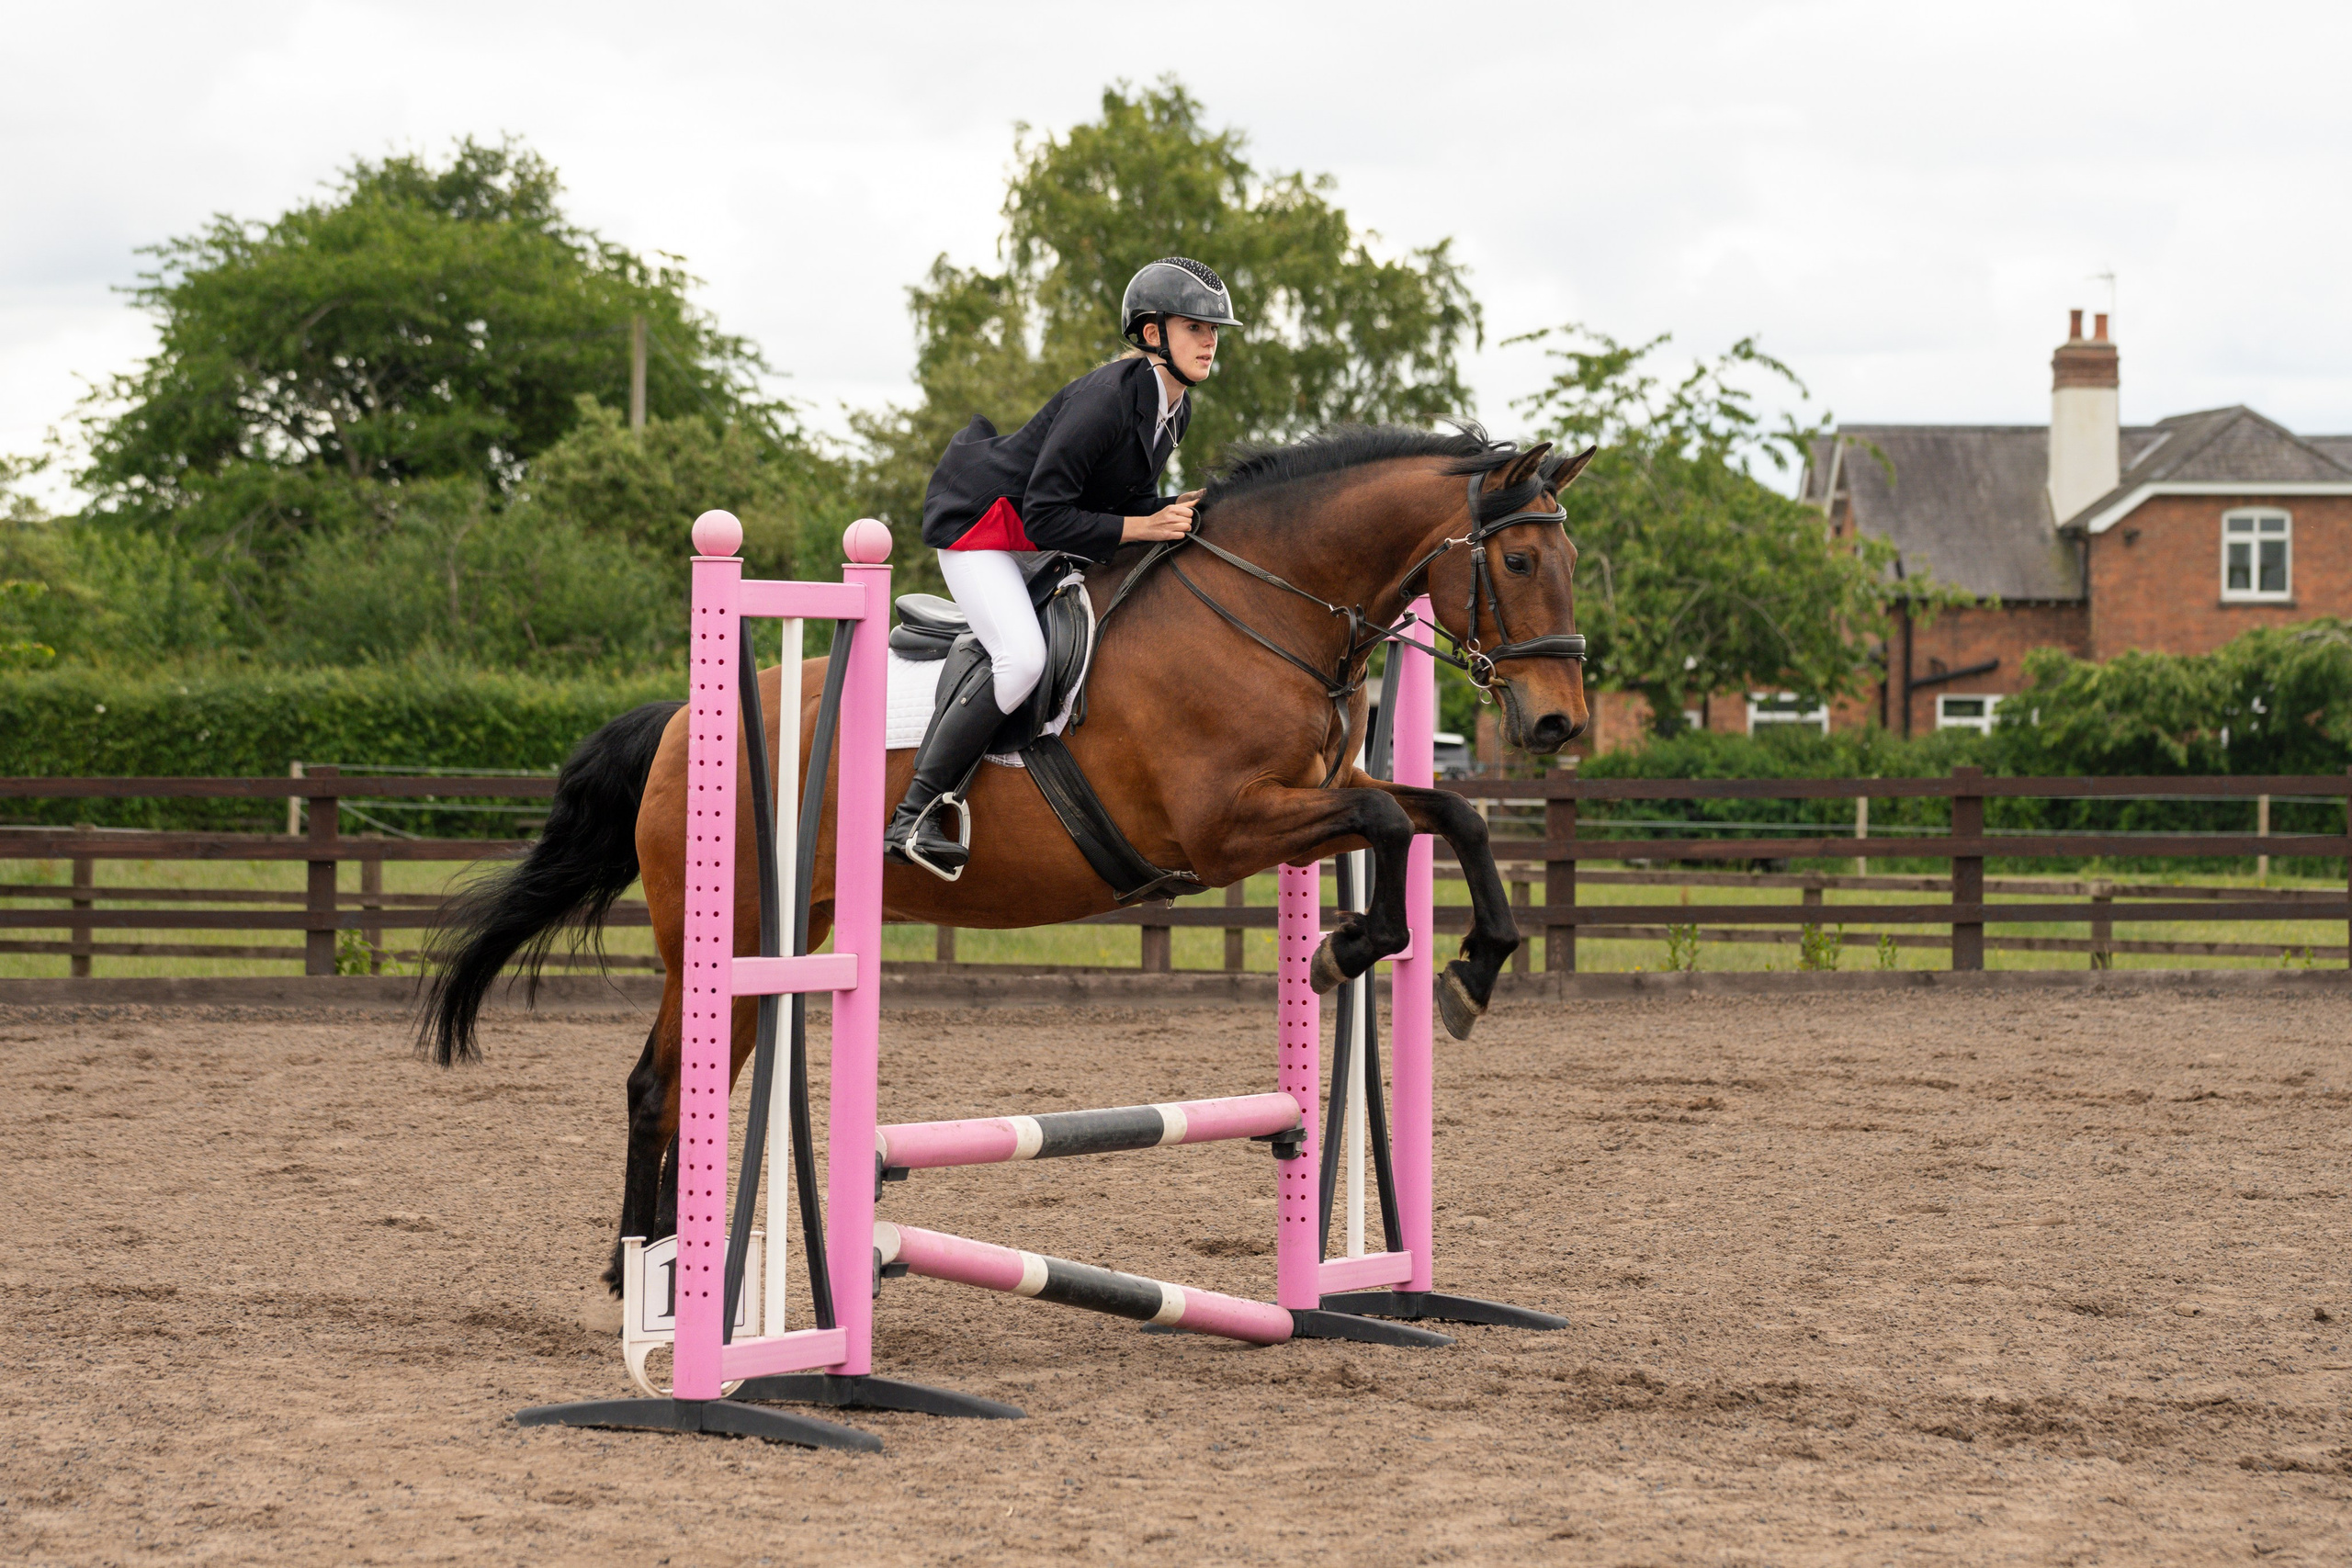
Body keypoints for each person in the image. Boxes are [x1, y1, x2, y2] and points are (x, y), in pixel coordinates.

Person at [884, 256, 1240, 877]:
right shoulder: (1106, 400)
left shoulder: (1174, 407)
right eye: (1195, 327)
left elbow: (1117, 501)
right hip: (983, 530)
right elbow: (1048, 514)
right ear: (1152, 333)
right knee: (1021, 658)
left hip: (1036, 534)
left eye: (1215, 330)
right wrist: (1141, 525)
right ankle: (914, 813)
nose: (1209, 340)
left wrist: (1169, 508)